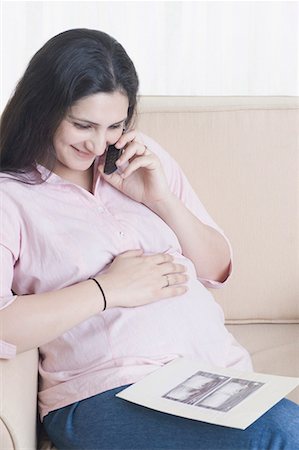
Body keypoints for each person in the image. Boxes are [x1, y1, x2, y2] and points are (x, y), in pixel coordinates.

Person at [0, 28, 298, 450]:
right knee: (283, 434)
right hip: (105, 394)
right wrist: (106, 290)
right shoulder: (10, 195)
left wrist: (160, 199)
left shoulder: (138, 160)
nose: (98, 143)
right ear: (43, 110)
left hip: (217, 381)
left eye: (114, 125)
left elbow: (215, 270)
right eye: (83, 125)